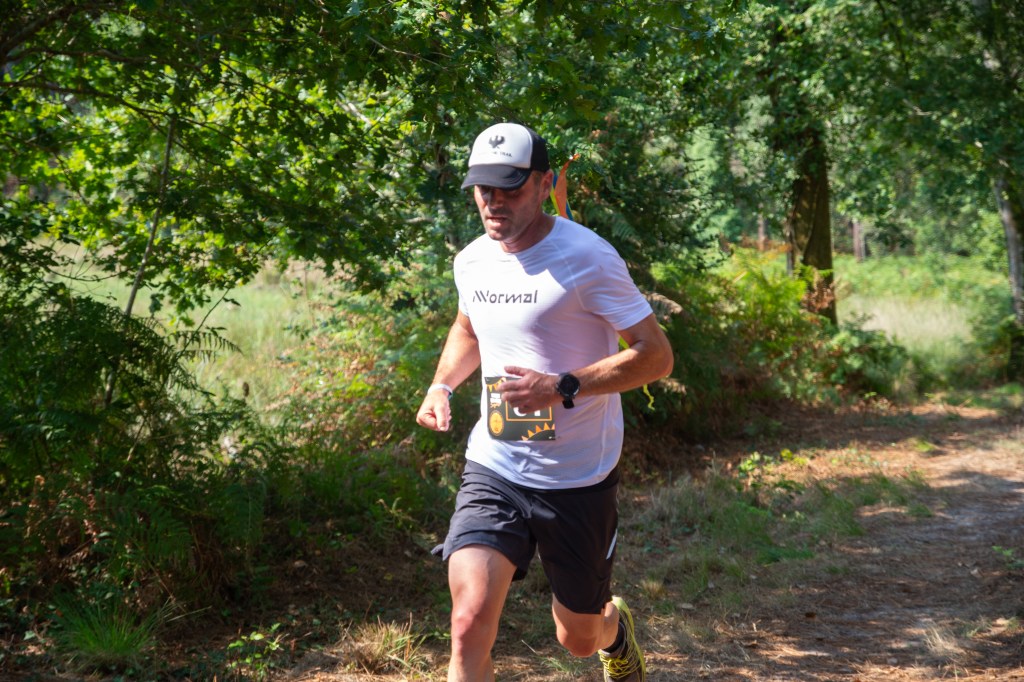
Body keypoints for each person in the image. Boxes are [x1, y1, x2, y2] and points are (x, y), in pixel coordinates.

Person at [416, 122, 674, 682]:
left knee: (577, 638)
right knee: (467, 624)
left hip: (577, 476)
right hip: (496, 464)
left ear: (543, 183)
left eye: (510, 187)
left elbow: (656, 356)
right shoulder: (472, 260)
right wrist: (441, 386)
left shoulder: (588, 257)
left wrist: (562, 386)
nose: (494, 201)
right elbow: (468, 327)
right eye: (484, 188)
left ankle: (614, 632)